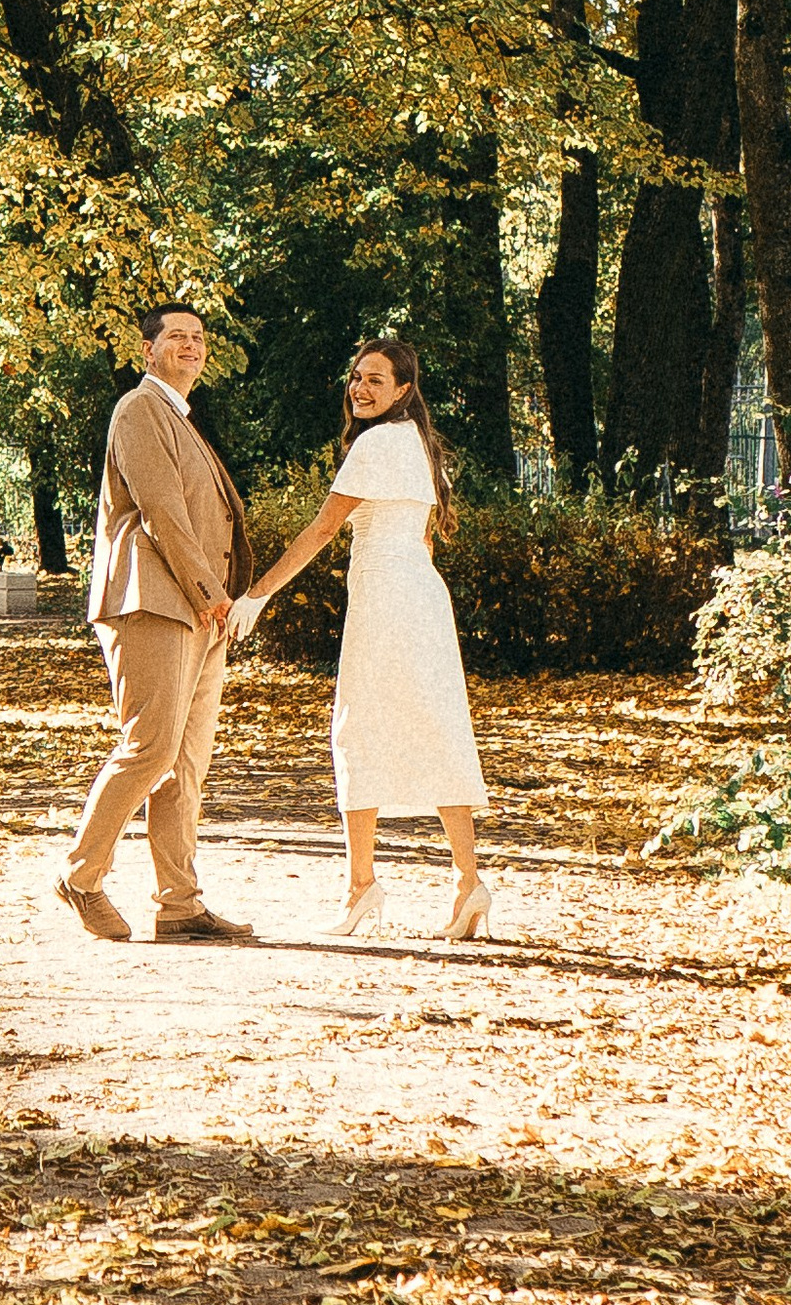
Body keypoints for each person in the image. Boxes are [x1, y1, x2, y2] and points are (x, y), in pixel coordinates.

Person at [233, 336, 491, 939]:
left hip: (386, 597)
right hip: (422, 596)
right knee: (437, 727)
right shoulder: (418, 443)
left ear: (403, 390)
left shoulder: (376, 443)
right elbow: (423, 540)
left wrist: (257, 594)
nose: (361, 388)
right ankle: (468, 881)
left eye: (377, 380)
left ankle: (361, 886)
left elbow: (323, 529)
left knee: (357, 729)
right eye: (357, 376)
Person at [56, 302, 255, 944]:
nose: (190, 345)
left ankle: (179, 905)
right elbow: (162, 510)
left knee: (185, 763)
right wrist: (210, 593)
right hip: (151, 601)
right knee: (151, 748)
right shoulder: (139, 409)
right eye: (176, 336)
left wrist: (217, 598)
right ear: (148, 349)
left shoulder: (180, 417)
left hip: (199, 609)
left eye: (198, 337)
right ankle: (81, 876)